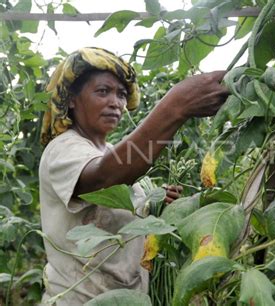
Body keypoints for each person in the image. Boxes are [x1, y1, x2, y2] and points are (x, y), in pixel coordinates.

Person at [38, 47, 229, 305]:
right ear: (71, 99)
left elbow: (117, 205)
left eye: (121, 94)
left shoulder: (106, 151)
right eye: (103, 91)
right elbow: (106, 178)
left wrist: (156, 203)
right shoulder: (63, 148)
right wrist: (176, 106)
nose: (115, 103)